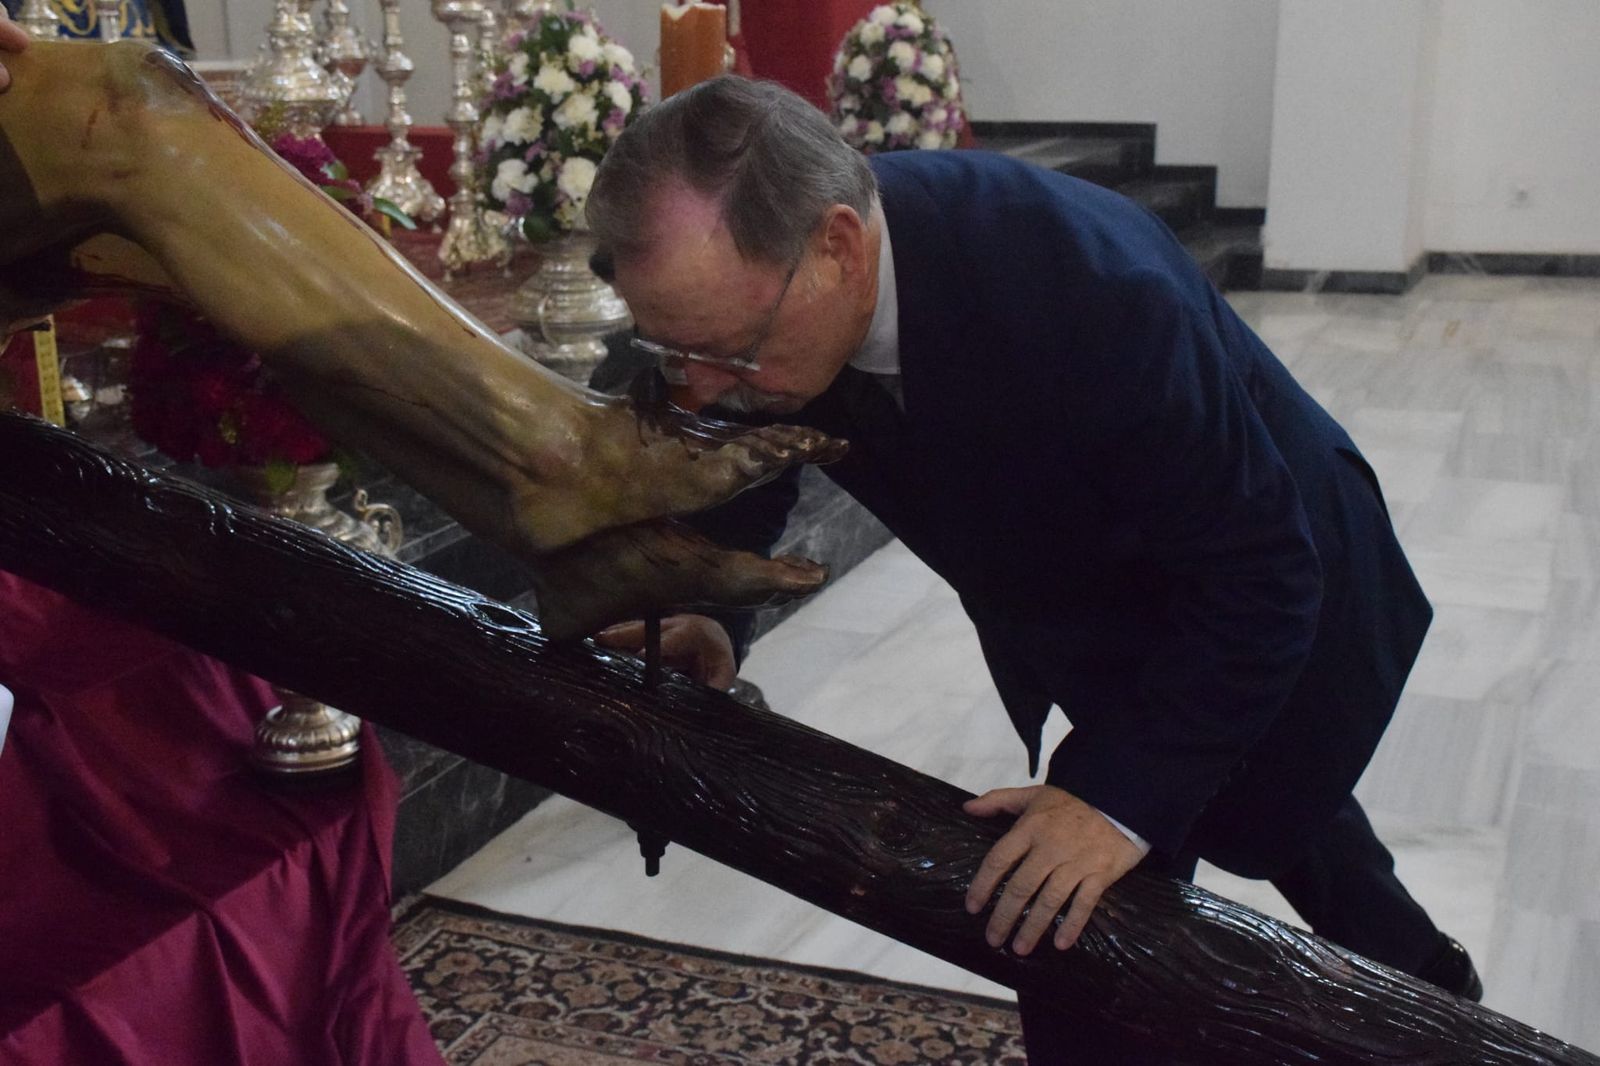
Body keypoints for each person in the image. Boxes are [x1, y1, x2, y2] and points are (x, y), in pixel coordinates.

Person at [587, 76, 1482, 1063]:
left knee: (1084, 893)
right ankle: (1428, 976)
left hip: (1266, 565)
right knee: (1269, 804)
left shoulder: (1088, 287)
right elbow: (745, 449)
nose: (703, 387)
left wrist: (1113, 801)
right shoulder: (764, 305)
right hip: (1107, 589)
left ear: (838, 247)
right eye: (671, 353)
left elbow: (1259, 574)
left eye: (725, 352)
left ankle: (1431, 1009)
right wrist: (717, 612)